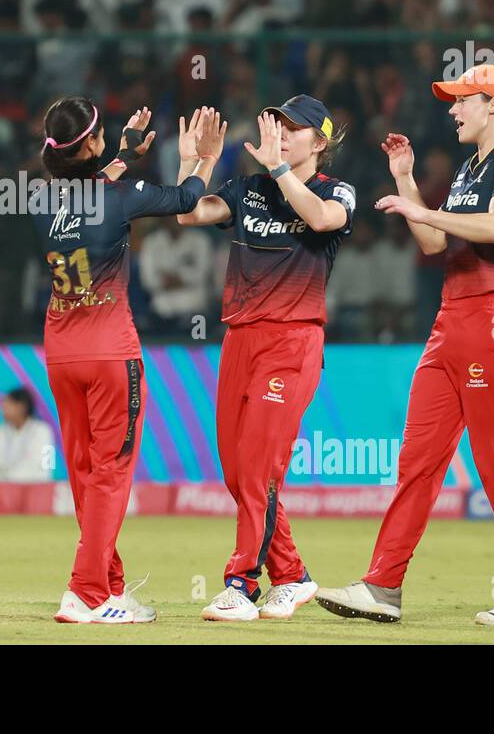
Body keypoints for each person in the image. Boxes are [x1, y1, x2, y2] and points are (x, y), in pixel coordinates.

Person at [315, 63, 494, 626]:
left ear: (493, 105)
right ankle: (382, 586)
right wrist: (405, 180)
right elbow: (432, 243)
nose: (451, 110)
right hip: (450, 323)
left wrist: (424, 208)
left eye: (461, 101)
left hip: (493, 321)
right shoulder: (471, 170)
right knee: (418, 462)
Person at [33, 98, 223, 624]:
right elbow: (186, 197)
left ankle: (108, 587)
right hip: (110, 353)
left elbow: (93, 188)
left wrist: (122, 155)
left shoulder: (41, 199)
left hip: (61, 353)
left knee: (85, 474)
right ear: (90, 144)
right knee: (111, 473)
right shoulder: (118, 197)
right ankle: (86, 590)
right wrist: (203, 157)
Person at [174, 95, 356, 621]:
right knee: (237, 470)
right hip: (240, 337)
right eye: (277, 125)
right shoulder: (249, 189)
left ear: (319, 142)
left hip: (293, 340)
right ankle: (293, 575)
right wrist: (198, 163)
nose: (280, 135)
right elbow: (190, 213)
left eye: (293, 130)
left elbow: (322, 219)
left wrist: (278, 168)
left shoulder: (333, 190)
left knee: (259, 465)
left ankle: (241, 581)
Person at [0, 388, 55, 482]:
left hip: (36, 489)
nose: (1, 410)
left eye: (7, 406)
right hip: (5, 491)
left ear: (21, 407)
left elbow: (48, 465)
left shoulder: (44, 431)